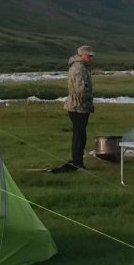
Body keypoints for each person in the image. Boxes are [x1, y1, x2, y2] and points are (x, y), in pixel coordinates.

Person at [52, 45, 95, 173]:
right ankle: (77, 163)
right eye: (89, 55)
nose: (91, 58)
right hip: (78, 106)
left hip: (78, 105)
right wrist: (87, 99)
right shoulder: (79, 68)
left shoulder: (81, 67)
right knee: (79, 135)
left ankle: (78, 161)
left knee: (81, 134)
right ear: (81, 55)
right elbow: (80, 89)